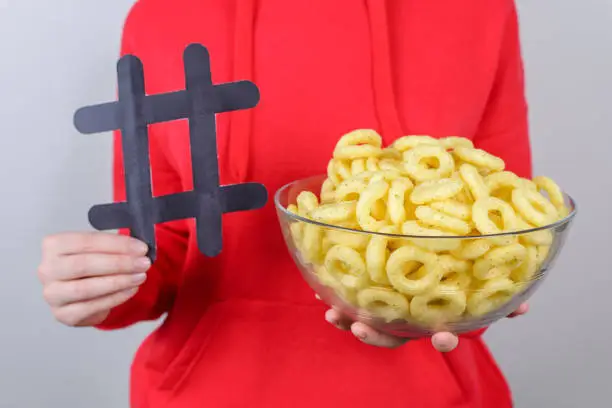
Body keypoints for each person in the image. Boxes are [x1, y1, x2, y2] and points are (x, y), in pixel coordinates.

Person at [37, 0, 533, 407]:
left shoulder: (478, 12)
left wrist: (482, 298)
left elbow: (502, 223)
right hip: (206, 393)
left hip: (427, 394)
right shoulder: (162, 16)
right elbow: (166, 241)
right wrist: (103, 283)